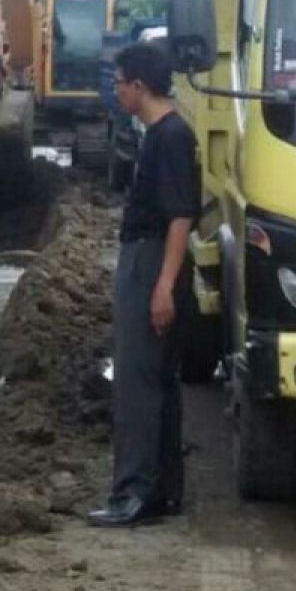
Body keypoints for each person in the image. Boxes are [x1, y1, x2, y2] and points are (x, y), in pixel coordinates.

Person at [87, 42, 200, 529]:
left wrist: (162, 286)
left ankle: (134, 493)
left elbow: (180, 217)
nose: (116, 92)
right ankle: (162, 491)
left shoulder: (169, 137)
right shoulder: (162, 134)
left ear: (139, 86)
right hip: (152, 260)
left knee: (136, 380)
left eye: (119, 83)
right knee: (158, 380)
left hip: (152, 261)